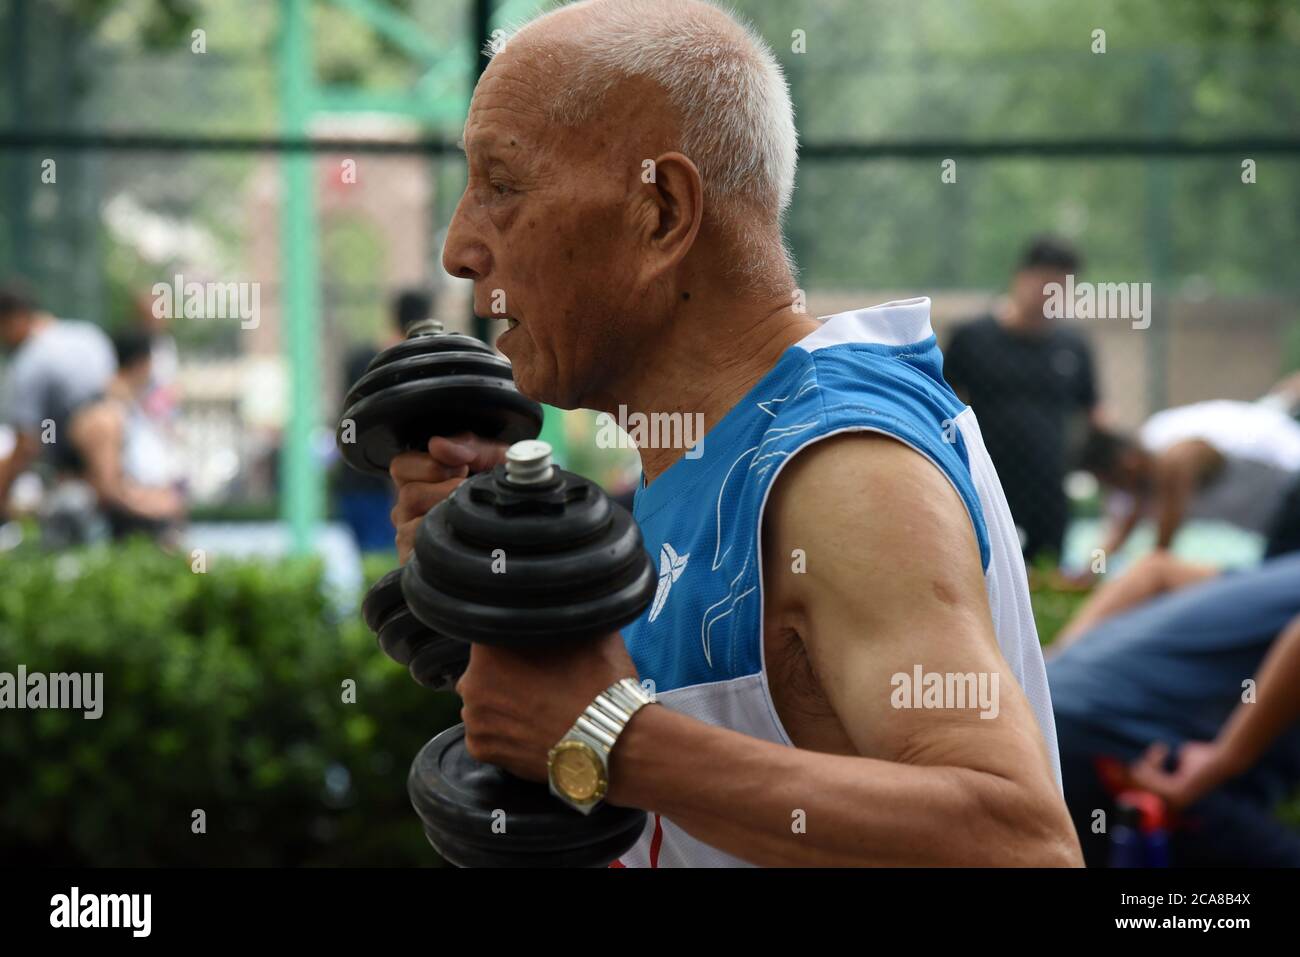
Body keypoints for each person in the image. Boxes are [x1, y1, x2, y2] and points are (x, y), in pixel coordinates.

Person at [387, 0, 1079, 867]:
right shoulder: (710, 463)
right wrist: (504, 596)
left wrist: (613, 740)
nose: (458, 247)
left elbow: (1021, 846)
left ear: (664, 212)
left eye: (503, 185)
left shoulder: (842, 468)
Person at [1047, 551, 1300, 866]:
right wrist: (1225, 759)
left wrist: (1053, 668)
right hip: (1124, 754)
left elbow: (1156, 571)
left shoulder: (1282, 575)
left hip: (1053, 715)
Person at [943, 237, 1101, 564]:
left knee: (1047, 579)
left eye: (1061, 287)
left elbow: (1095, 414)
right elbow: (943, 404)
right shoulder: (972, 338)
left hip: (1049, 492)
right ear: (1020, 276)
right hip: (984, 486)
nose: (1050, 295)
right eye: (1045, 283)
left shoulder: (1074, 347)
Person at [1081, 398, 1300, 557]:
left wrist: (1155, 563)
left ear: (1127, 463)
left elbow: (1177, 474)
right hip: (1278, 521)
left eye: (1112, 482)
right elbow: (1115, 533)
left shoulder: (1166, 440)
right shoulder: (1132, 487)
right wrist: (1089, 570)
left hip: (1292, 474)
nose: (1116, 491)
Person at [0, 281, 116, 517]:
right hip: (117, 423)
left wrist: (3, 492)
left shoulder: (29, 363)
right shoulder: (86, 333)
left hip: (81, 440)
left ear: (14, 319)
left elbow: (27, 442)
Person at [335, 289, 433, 552]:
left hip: (353, 479)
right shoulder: (412, 365)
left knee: (372, 563)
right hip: (384, 486)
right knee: (393, 563)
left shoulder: (361, 359)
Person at [68, 330, 185, 542]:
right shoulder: (105, 416)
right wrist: (157, 507)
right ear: (144, 363)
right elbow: (108, 490)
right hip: (119, 532)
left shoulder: (132, 409)